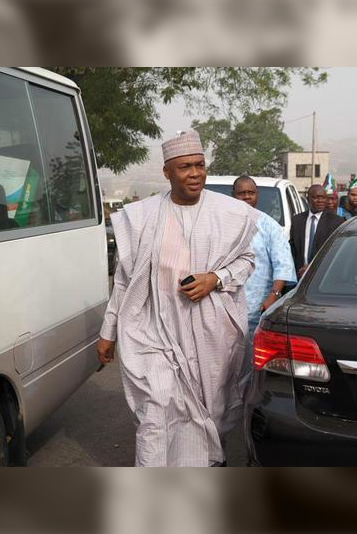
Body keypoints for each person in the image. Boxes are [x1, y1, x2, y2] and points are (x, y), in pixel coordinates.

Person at [96, 130, 259, 467]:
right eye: (185, 167)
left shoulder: (232, 213)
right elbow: (125, 280)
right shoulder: (142, 217)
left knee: (208, 413)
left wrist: (215, 278)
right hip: (154, 332)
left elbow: (246, 261)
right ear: (167, 172)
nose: (195, 173)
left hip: (211, 336)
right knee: (156, 410)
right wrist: (108, 332)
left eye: (200, 165)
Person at [231, 175, 297, 390]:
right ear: (233, 195)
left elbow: (282, 264)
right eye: (241, 193)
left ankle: (250, 402)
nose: (246, 197)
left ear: (257, 196)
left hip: (256, 308)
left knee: (253, 364)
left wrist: (273, 295)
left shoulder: (269, 225)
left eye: (250, 193)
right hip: (225, 308)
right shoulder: (222, 224)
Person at [290, 184, 345, 278]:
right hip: (300, 276)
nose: (320, 201)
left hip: (323, 276)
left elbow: (335, 252)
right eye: (316, 197)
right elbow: (293, 249)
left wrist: (312, 267)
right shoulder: (297, 220)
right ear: (308, 199)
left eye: (323, 197)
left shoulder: (336, 222)